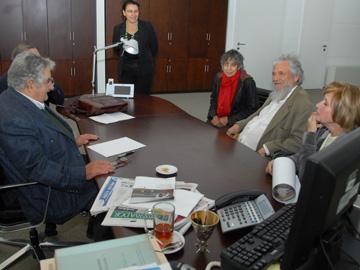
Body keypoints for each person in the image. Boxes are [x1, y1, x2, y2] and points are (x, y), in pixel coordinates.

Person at [0, 51, 114, 227]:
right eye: (48, 81)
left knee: (106, 167)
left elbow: (38, 139)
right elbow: (37, 169)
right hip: (47, 194)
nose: (52, 87)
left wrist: (72, 141)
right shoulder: (14, 118)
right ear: (30, 84)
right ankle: (104, 242)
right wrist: (84, 172)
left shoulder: (18, 98)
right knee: (110, 187)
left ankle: (96, 227)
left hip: (57, 169)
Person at [266, 81, 360, 180]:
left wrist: (310, 134)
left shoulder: (344, 148)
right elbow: (300, 157)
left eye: (325, 104)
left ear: (342, 113)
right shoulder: (324, 132)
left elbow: (306, 176)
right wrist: (282, 162)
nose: (318, 105)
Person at [226, 55, 313, 157]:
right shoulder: (278, 92)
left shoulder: (303, 102)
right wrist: (239, 125)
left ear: (296, 77)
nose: (275, 78)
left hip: (257, 156)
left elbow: (298, 140)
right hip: (239, 142)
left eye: (281, 74)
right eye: (273, 74)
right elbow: (258, 114)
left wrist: (267, 148)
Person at [112, 0, 158, 95]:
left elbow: (154, 47)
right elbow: (116, 49)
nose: (133, 14)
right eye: (130, 11)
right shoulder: (118, 28)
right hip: (125, 70)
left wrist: (147, 59)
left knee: (143, 100)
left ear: (139, 12)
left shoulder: (147, 26)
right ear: (124, 13)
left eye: (135, 11)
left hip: (144, 69)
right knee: (126, 98)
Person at [0, 43, 65, 106]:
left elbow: (59, 101)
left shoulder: (42, 75)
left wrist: (52, 87)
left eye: (39, 57)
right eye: (34, 58)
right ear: (18, 61)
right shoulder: (3, 83)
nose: (40, 61)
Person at [207, 50, 258, 128]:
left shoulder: (247, 82)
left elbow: (252, 109)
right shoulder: (218, 77)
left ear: (239, 66)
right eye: (226, 64)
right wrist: (213, 115)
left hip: (235, 122)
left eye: (233, 65)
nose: (228, 68)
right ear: (222, 65)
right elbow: (213, 99)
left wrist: (229, 119)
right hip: (217, 118)